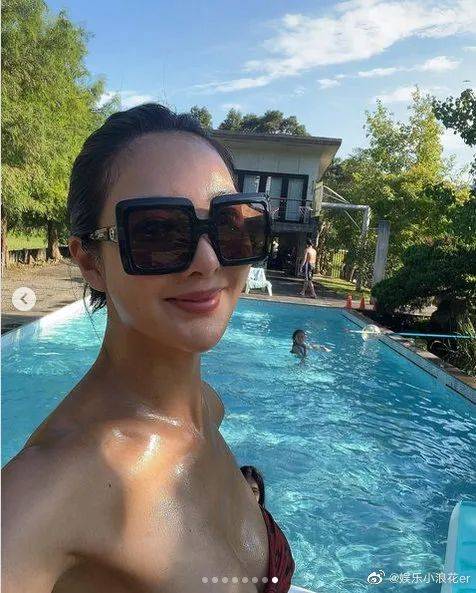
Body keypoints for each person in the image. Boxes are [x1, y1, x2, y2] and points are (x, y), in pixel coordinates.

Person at [2, 104, 295, 593]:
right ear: (89, 261)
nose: (208, 261)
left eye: (230, 224)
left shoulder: (207, 409)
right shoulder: (47, 495)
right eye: (158, 232)